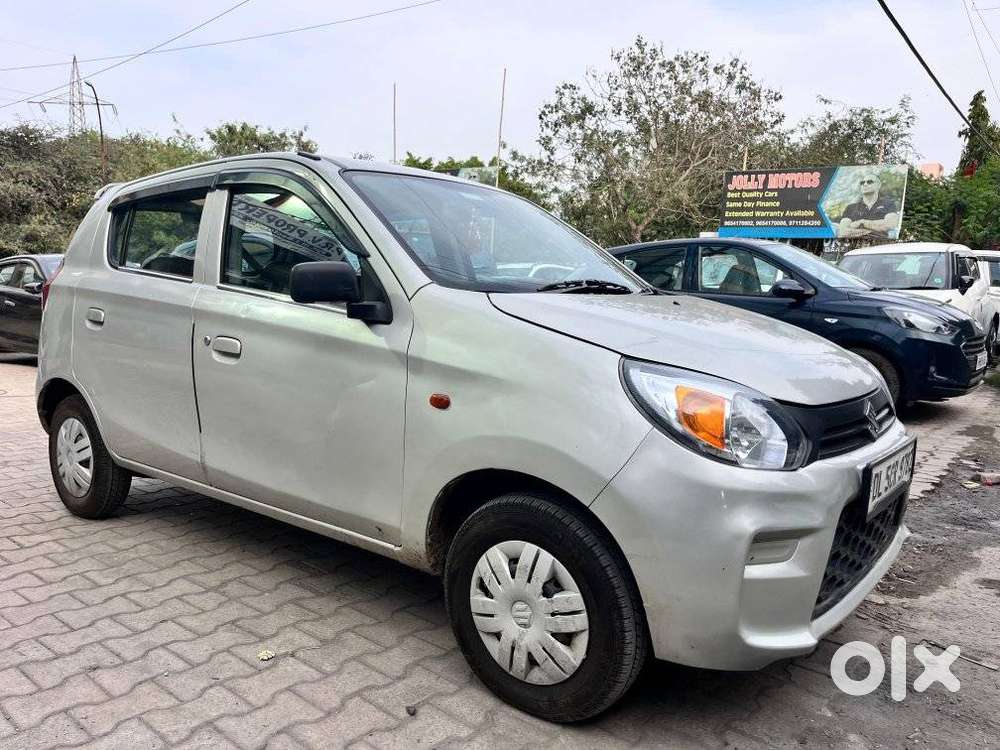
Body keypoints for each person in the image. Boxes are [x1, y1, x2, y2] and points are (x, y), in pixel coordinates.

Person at [835, 171, 899, 238]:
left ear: (878, 185)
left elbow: (890, 225)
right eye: (862, 182)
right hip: (855, 243)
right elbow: (842, 232)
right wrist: (872, 231)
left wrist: (861, 223)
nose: (865, 184)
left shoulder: (888, 204)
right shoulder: (850, 207)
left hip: (880, 244)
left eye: (869, 182)